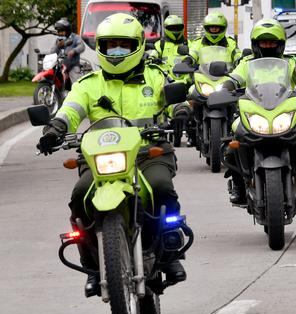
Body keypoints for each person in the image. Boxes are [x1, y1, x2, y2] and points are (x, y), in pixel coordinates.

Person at [37, 13, 187, 297]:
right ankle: (93, 267)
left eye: (123, 45)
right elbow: (71, 109)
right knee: (80, 196)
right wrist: (55, 128)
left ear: (138, 45)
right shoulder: (88, 84)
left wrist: (180, 110)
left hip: (147, 153)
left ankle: (170, 250)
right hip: (100, 160)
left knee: (160, 186)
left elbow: (171, 99)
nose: (116, 51)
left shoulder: (155, 76)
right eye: (109, 45)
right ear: (101, 49)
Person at [223, 19, 296, 205]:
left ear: (280, 45)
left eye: (272, 42)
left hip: (283, 109)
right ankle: (239, 187)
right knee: (232, 143)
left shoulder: (290, 63)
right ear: (255, 44)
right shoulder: (246, 63)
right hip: (254, 110)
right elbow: (235, 78)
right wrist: (225, 87)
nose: (268, 46)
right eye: (263, 42)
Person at [150, 15, 194, 81]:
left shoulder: (188, 43)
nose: (175, 30)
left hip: (186, 77)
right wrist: (153, 58)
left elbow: (194, 55)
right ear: (166, 28)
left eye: (178, 27)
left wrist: (189, 60)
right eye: (172, 28)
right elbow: (154, 53)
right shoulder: (161, 44)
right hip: (165, 77)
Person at [50, 18, 86, 84]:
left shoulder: (75, 37)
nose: (59, 33)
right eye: (58, 31)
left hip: (72, 66)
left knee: (76, 84)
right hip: (60, 66)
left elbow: (82, 46)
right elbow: (52, 52)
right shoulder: (58, 40)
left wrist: (74, 51)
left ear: (67, 30)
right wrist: (57, 46)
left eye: (61, 31)